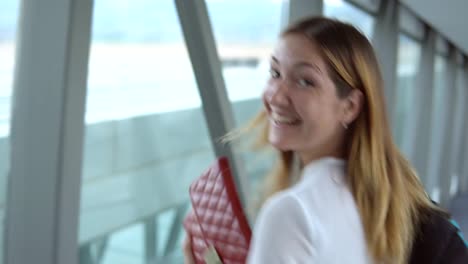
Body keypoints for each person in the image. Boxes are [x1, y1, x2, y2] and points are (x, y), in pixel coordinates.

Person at [183, 16, 468, 264]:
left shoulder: (291, 213)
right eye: (275, 73)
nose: (276, 96)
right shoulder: (385, 201)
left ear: (350, 107)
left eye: (305, 81)